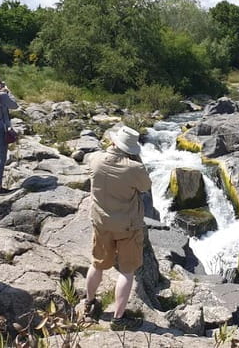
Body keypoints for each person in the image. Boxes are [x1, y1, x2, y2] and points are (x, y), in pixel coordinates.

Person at [83, 126, 152, 331]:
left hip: (101, 223)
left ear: (113, 142)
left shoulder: (94, 159)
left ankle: (89, 303)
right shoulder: (134, 168)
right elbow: (145, 187)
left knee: (97, 265)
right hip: (127, 226)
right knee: (127, 271)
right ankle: (118, 318)